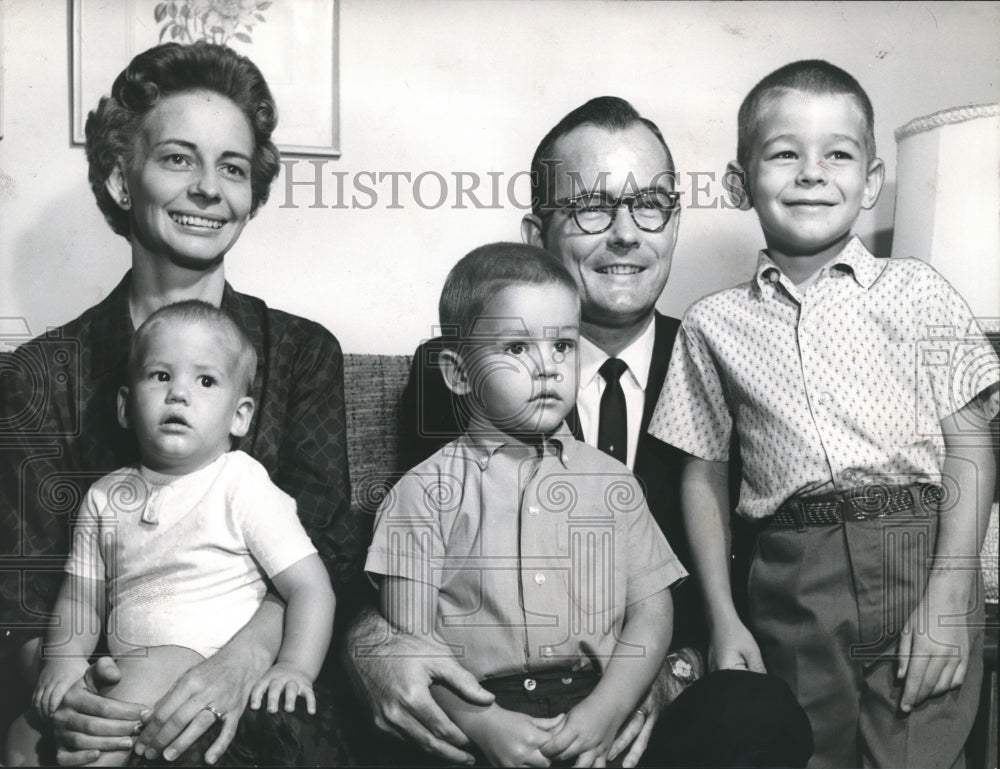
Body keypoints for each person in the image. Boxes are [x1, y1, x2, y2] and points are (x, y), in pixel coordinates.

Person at [346, 97, 812, 768]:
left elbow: (748, 579)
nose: (626, 233)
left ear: (675, 223)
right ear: (536, 233)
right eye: (592, 207)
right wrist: (381, 652)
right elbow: (411, 581)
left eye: (650, 203)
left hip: (657, 698)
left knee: (758, 714)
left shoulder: (725, 363)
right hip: (499, 711)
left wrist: (654, 682)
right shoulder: (456, 374)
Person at [0, 42, 360, 766]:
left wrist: (235, 665)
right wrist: (78, 701)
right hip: (102, 683)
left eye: (232, 167)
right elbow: (26, 595)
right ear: (121, 179)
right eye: (177, 158)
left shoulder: (300, 353)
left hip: (260, 688)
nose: (207, 188)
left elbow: (330, 558)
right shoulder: (42, 372)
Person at [648, 59, 1000, 768]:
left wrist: (953, 586)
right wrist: (722, 615)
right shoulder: (713, 324)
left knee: (918, 752)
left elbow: (971, 442)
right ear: (740, 183)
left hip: (917, 553)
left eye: (837, 153)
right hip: (792, 573)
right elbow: (702, 475)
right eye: (785, 153)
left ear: (870, 181)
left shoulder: (920, 291)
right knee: (805, 751)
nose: (812, 172)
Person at [367, 242, 683, 767]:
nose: (546, 367)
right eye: (516, 348)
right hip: (481, 709)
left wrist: (609, 710)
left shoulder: (611, 481)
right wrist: (480, 723)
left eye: (562, 346)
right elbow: (411, 637)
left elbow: (652, 609)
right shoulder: (422, 492)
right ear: (458, 372)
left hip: (597, 699)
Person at [6, 301, 336, 766]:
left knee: (111, 716)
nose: (179, 393)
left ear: (240, 416)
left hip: (201, 664)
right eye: (160, 376)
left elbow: (309, 586)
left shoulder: (241, 481)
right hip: (128, 666)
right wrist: (64, 660)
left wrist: (295, 667)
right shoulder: (105, 496)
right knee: (22, 736)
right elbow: (80, 597)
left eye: (205, 381)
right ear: (124, 406)